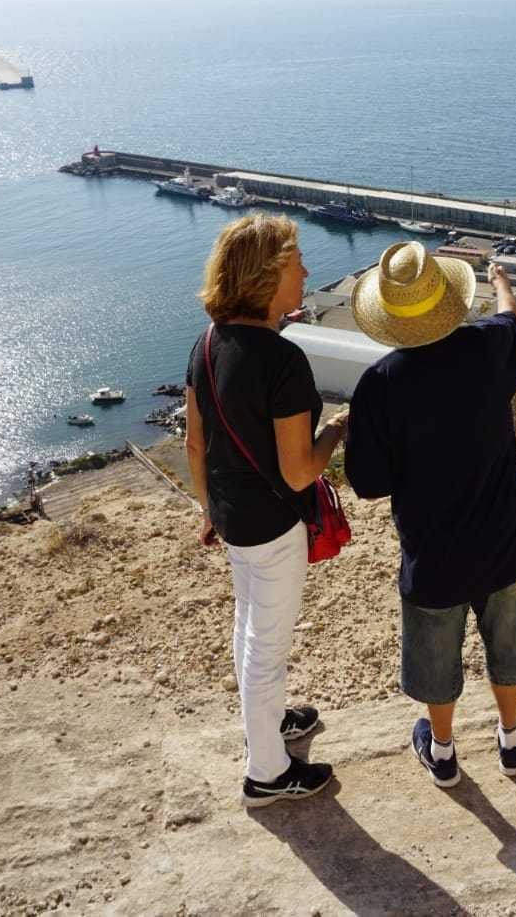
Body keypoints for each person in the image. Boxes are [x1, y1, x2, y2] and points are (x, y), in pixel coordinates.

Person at [346, 241, 516, 788]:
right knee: (508, 644)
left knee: (436, 655)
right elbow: (511, 321)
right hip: (504, 538)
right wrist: (501, 280)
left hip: (432, 551)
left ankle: (442, 752)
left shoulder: (380, 384)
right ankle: (511, 738)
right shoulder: (486, 348)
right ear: (448, 298)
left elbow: (366, 483)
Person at [183, 214, 349, 808]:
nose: (305, 270)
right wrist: (335, 431)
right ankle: (268, 774)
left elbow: (195, 443)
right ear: (268, 274)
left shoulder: (205, 345)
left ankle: (268, 725)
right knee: (267, 645)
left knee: (248, 624)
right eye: (296, 262)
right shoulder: (283, 361)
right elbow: (301, 470)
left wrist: (209, 508)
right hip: (275, 525)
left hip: (232, 515)